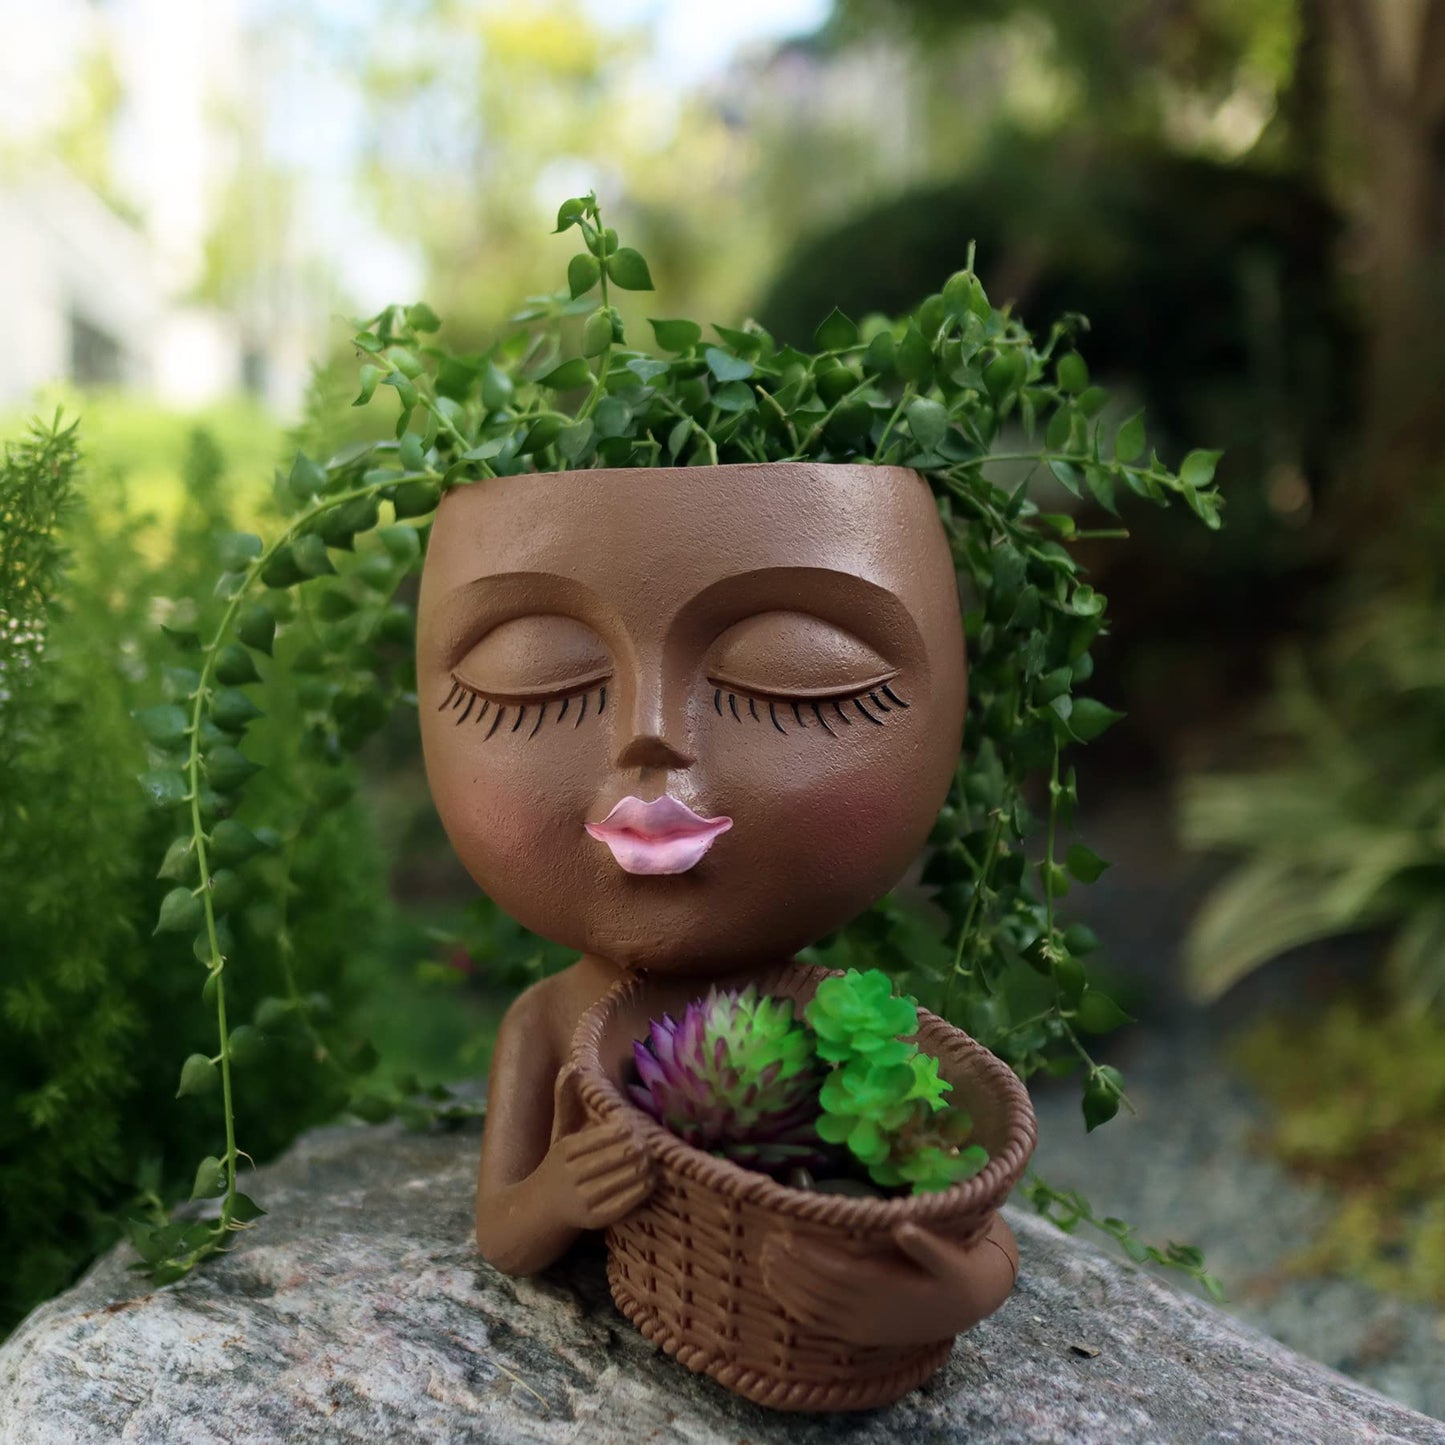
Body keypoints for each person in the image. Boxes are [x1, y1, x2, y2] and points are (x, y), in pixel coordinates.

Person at [417, 460, 1018, 1344]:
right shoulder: (547, 1020)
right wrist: (556, 1195)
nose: (650, 734)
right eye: (534, 675)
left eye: (795, 671)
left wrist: (948, 1292)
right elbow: (502, 1233)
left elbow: (959, 1201)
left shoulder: (835, 1019)